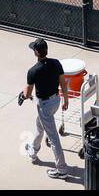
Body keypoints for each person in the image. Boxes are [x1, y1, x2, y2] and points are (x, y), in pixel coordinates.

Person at [22, 38, 72, 179]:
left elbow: (27, 94)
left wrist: (23, 94)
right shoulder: (56, 63)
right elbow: (63, 83)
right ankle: (33, 150)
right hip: (56, 100)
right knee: (40, 125)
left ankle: (62, 169)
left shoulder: (33, 71)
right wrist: (66, 99)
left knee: (53, 138)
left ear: (37, 52)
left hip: (44, 106)